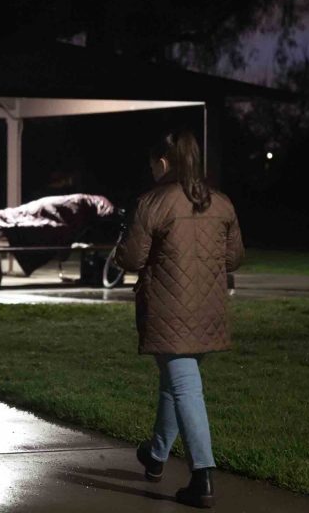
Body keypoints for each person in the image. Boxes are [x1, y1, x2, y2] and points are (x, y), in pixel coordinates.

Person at [114, 129, 243, 508]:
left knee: (185, 388)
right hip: (208, 309)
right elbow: (233, 258)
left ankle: (202, 476)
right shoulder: (221, 202)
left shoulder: (153, 202)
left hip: (169, 310)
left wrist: (122, 241)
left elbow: (132, 258)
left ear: (164, 162)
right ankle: (155, 455)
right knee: (175, 383)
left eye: (153, 163)